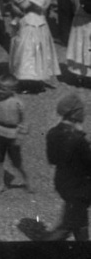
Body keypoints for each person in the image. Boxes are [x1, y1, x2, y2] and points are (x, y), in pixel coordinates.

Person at [43, 94, 91, 241]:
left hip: (63, 182)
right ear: (76, 114)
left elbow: (52, 159)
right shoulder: (78, 139)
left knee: (79, 222)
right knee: (68, 226)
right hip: (81, 188)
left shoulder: (52, 133)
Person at [7, 0, 58, 89]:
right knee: (32, 50)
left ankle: (29, 80)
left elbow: (23, 4)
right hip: (32, 20)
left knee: (28, 50)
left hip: (31, 19)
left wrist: (15, 3)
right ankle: (31, 79)